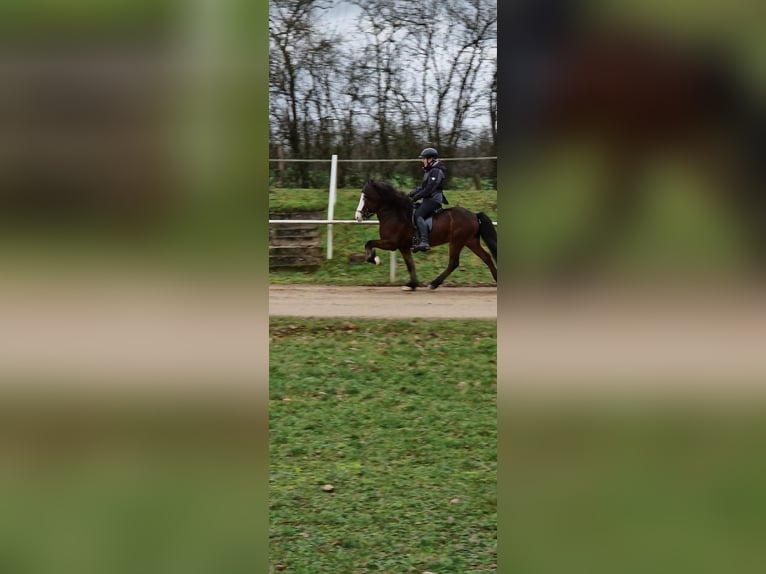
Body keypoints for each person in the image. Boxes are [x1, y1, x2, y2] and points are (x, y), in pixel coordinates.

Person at [408, 147, 448, 252]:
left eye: (423, 158)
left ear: (430, 159)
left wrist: (416, 197)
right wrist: (410, 195)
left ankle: (425, 242)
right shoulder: (429, 171)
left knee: (418, 214)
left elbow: (429, 189)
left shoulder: (436, 171)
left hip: (434, 201)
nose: (422, 161)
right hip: (428, 200)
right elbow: (422, 188)